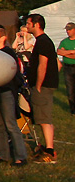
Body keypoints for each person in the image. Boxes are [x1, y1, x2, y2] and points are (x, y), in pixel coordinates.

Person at [0, 24, 28, 165]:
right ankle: (2, 154)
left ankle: (20, 156)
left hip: (5, 91)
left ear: (3, 38)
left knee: (10, 124)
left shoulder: (8, 53)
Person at [24, 14, 59, 162]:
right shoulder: (43, 41)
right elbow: (58, 64)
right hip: (45, 85)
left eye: (28, 23)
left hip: (42, 86)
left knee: (43, 117)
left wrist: (38, 85)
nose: (27, 26)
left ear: (36, 24)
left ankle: (49, 151)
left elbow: (43, 65)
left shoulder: (43, 41)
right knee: (44, 117)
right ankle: (49, 147)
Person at [57, 22, 75, 115]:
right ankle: (73, 109)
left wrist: (66, 53)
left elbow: (63, 53)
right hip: (68, 67)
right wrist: (72, 52)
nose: (68, 32)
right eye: (67, 30)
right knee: (70, 88)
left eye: (70, 30)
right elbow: (59, 52)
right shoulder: (64, 41)